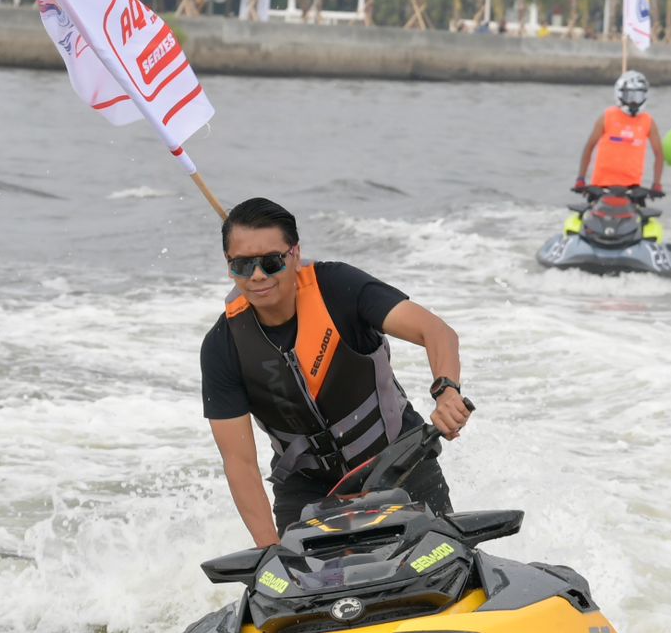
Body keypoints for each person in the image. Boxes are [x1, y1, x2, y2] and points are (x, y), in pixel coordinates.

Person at [200, 197, 472, 548]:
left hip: (398, 461)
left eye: (271, 262)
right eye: (242, 265)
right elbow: (240, 463)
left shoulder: (338, 288)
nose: (257, 276)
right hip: (308, 489)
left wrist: (447, 392)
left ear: (295, 253)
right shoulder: (222, 346)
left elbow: (436, 332)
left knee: (440, 562)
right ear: (228, 265)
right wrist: (269, 550)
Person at [574, 70, 665, 198]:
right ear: (620, 95)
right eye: (629, 97)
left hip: (632, 188)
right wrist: (581, 178)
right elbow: (589, 147)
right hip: (601, 186)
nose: (634, 102)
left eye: (638, 97)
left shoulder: (648, 121)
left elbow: (659, 154)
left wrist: (657, 184)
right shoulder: (607, 116)